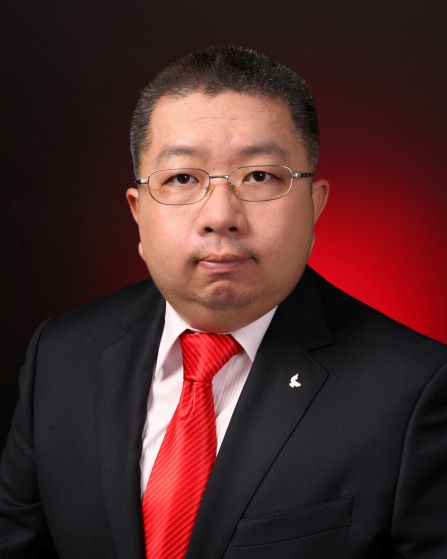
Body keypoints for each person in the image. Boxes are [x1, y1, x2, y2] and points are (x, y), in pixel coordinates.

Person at [0, 45, 446, 559]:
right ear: (138, 213)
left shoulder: (416, 391)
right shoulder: (60, 356)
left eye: (260, 176)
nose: (220, 217)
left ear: (314, 204)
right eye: (182, 178)